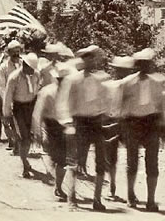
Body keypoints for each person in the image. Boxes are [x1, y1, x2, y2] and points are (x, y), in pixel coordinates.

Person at [56, 45, 110, 211]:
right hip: (79, 122)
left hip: (96, 122)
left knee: (101, 162)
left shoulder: (101, 79)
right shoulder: (73, 80)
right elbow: (63, 102)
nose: (89, 60)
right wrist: (68, 122)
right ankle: (72, 199)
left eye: (92, 57)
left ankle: (97, 199)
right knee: (74, 161)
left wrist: (106, 116)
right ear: (82, 60)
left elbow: (106, 100)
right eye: (86, 57)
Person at [120, 48, 165, 212]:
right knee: (132, 162)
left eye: (148, 64)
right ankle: (130, 195)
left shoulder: (157, 83)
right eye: (143, 64)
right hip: (133, 123)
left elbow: (161, 106)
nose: (146, 67)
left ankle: (151, 200)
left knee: (152, 163)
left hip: (151, 123)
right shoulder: (128, 83)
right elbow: (123, 106)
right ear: (137, 65)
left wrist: (164, 126)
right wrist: (122, 127)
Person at [32, 60, 75, 201]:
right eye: (60, 79)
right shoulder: (46, 92)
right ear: (56, 79)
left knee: (61, 160)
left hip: (64, 125)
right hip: (49, 125)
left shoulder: (70, 92)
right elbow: (37, 112)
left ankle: (58, 187)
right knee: (53, 155)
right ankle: (53, 173)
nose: (62, 82)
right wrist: (37, 131)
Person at [103, 55, 137, 201]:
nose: (122, 72)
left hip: (126, 122)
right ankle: (113, 187)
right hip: (115, 121)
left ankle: (126, 190)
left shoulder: (126, 86)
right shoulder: (109, 85)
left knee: (128, 158)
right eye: (120, 70)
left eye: (124, 70)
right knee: (113, 157)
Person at [3, 52, 42, 179]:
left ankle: (25, 161)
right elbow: (8, 97)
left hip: (31, 107)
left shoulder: (36, 75)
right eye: (30, 68)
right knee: (23, 137)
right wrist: (7, 114)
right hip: (19, 109)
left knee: (30, 138)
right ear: (24, 65)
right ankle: (25, 165)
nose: (31, 71)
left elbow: (37, 90)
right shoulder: (14, 78)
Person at [0, 40, 23, 152]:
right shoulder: (3, 68)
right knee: (8, 122)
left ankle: (19, 143)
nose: (16, 54)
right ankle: (14, 141)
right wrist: (8, 100)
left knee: (20, 123)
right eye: (14, 52)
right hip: (7, 98)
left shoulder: (23, 65)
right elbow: (1, 86)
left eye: (18, 51)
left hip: (21, 98)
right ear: (9, 53)